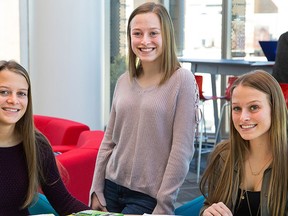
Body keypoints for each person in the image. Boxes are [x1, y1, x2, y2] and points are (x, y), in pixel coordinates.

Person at [89, 2, 199, 215]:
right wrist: (96, 188)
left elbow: (182, 150)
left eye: (153, 33)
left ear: (166, 35)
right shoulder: (123, 81)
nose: (145, 41)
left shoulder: (182, 80)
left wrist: (164, 204)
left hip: (148, 196)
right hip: (110, 186)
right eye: (137, 33)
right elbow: (109, 139)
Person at [0, 60, 90, 215]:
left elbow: (65, 203)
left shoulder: (36, 144)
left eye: (21, 93)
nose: (13, 100)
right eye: (4, 92)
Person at [199, 70, 288, 215]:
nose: (243, 117)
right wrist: (207, 212)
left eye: (254, 107)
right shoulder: (223, 155)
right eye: (237, 108)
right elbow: (209, 204)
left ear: (274, 108)